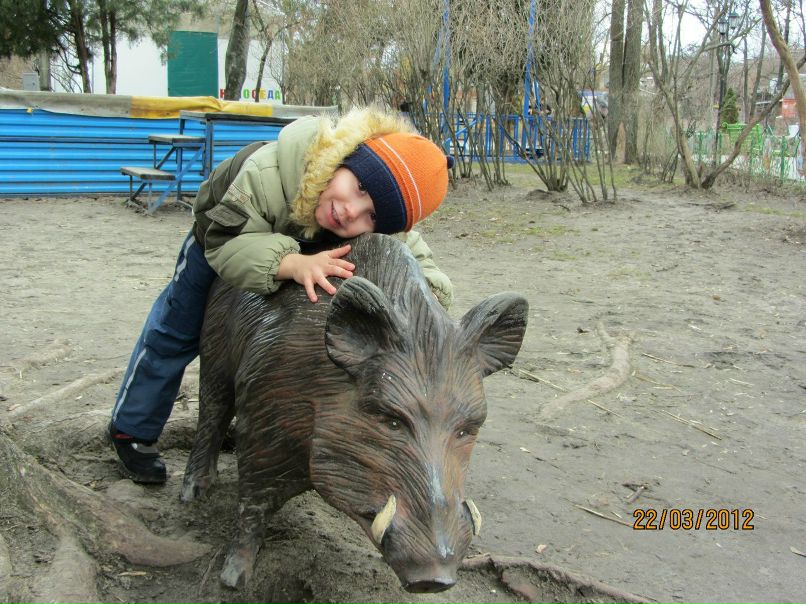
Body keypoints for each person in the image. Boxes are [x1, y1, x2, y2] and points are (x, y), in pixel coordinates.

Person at [109, 106, 455, 484]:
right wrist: (291, 264)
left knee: (278, 339)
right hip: (226, 236)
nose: (350, 211)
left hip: (304, 244)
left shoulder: (361, 215)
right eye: (360, 188)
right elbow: (225, 243)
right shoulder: (267, 174)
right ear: (347, 158)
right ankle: (133, 428)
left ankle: (254, 418)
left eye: (370, 217)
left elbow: (413, 255)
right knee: (178, 329)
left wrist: (431, 296)